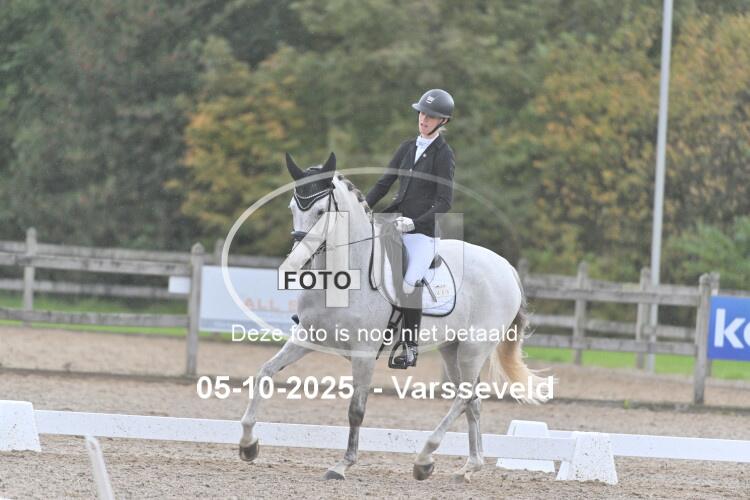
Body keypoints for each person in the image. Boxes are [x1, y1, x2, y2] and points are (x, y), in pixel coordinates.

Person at [365, 89, 456, 368]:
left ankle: (410, 346)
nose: (424, 120)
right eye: (422, 114)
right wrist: (361, 208)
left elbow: (444, 201)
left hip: (421, 233)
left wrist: (416, 222)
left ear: (443, 121)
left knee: (409, 282)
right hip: (392, 223)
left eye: (431, 117)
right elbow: (384, 183)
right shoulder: (407, 147)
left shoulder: (444, 155)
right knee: (356, 255)